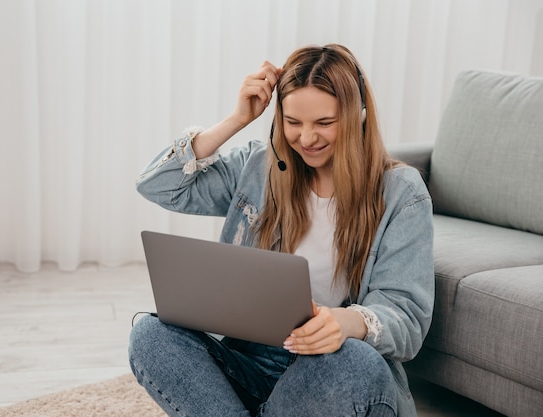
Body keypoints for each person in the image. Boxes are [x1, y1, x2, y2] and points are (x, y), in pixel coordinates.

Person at [129, 43, 434, 417]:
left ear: (359, 116)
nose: (307, 139)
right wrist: (237, 119)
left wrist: (346, 322)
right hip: (252, 359)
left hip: (329, 367)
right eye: (293, 123)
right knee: (150, 336)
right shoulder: (261, 166)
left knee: (358, 362)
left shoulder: (401, 192)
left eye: (324, 123)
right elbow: (156, 184)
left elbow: (408, 319)